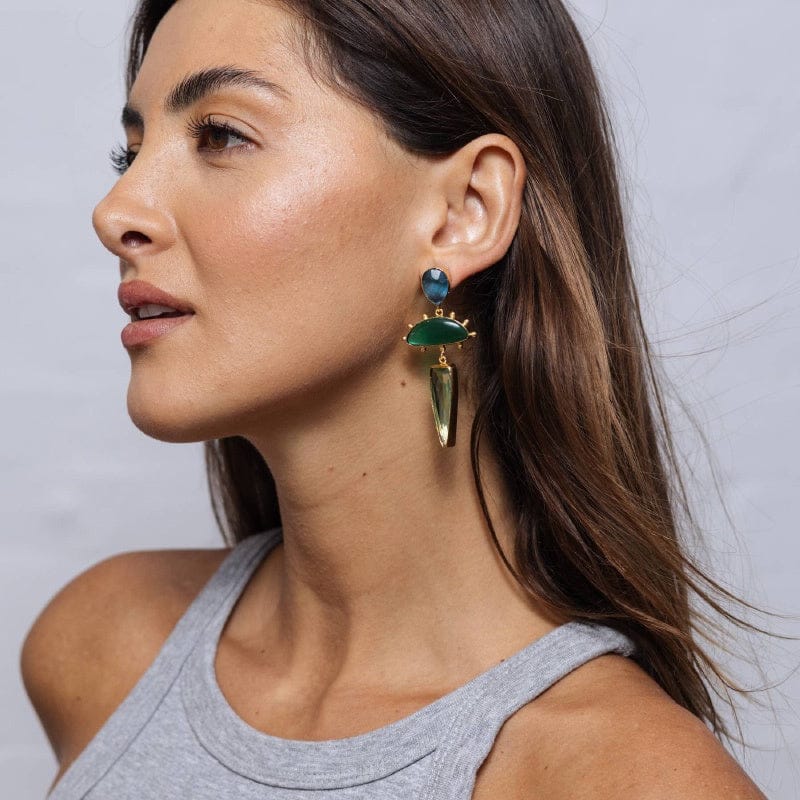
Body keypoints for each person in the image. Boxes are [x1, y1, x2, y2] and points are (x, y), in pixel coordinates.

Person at [20, 0, 768, 797]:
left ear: (463, 212)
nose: (116, 212)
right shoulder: (100, 651)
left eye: (221, 136)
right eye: (130, 153)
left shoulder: (621, 779)